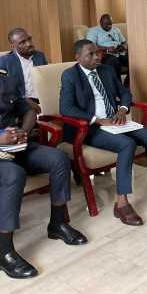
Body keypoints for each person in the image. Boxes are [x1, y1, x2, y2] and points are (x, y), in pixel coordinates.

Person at [59, 40, 147, 226]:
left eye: (97, 53)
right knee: (127, 144)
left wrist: (123, 109)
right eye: (90, 54)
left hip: (115, 121)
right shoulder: (70, 75)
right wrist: (97, 120)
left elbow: (125, 93)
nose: (97, 57)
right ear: (77, 57)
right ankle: (121, 203)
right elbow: (66, 108)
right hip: (89, 127)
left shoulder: (106, 70)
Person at [0, 72, 87, 279]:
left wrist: (23, 131)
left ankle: (58, 223)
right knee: (14, 174)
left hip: (17, 147)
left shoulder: (5, 79)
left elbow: (28, 110)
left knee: (59, 159)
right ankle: (4, 251)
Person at [0, 28, 48, 114]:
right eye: (22, 42)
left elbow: (46, 81)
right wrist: (26, 101)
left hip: (42, 100)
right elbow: (5, 91)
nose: (29, 44)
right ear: (13, 46)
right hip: (19, 102)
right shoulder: (4, 61)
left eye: (29, 39)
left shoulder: (40, 56)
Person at [86, 14, 128, 83]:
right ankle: (118, 85)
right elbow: (91, 46)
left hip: (119, 52)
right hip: (105, 54)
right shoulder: (93, 31)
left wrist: (123, 47)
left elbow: (124, 42)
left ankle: (127, 84)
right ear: (101, 23)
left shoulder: (116, 29)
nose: (109, 26)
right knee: (114, 62)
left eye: (110, 24)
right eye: (106, 24)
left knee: (134, 61)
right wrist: (107, 49)